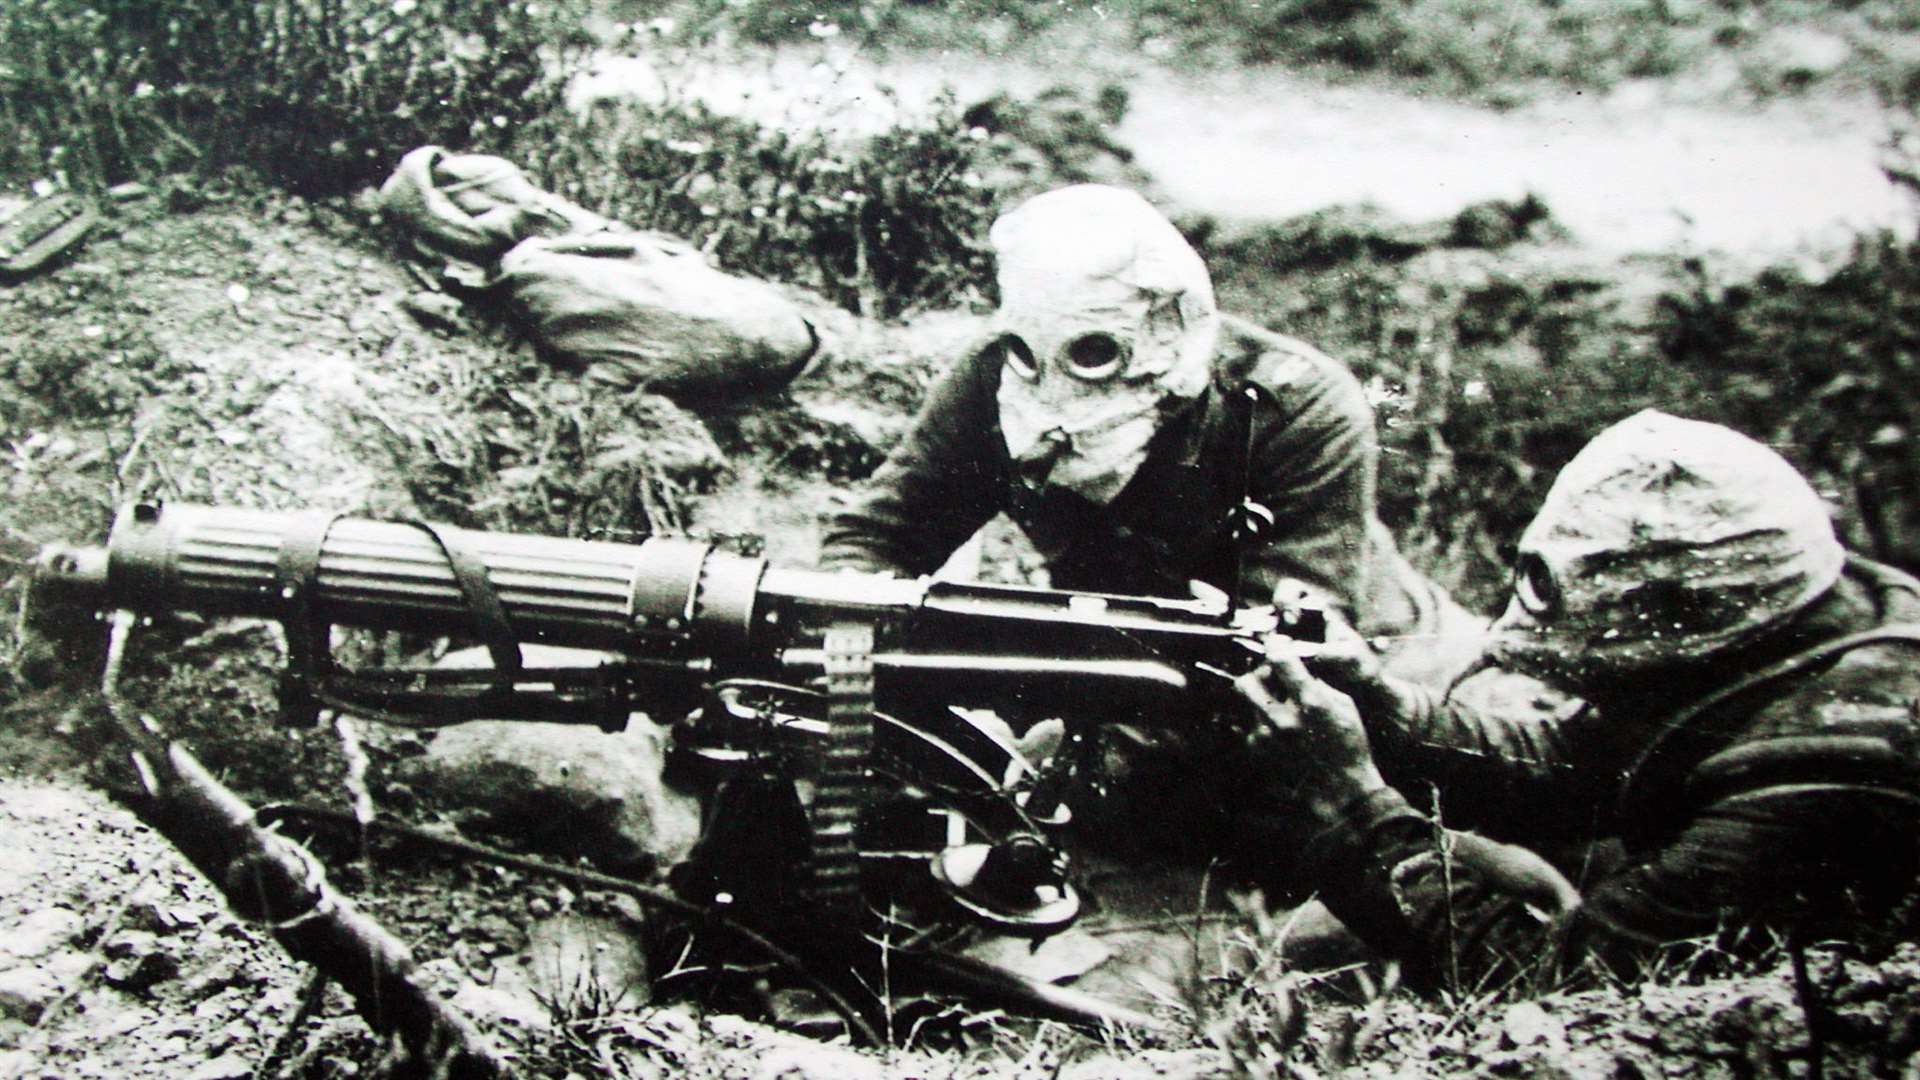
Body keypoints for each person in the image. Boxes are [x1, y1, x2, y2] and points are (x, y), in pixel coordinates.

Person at [1238, 409, 1920, 991]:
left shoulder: (1840, 766)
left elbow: (1560, 982)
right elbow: (1589, 759)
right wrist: (1384, 710)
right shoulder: (1800, 610)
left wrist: (1349, 807)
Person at [820, 182, 1477, 686]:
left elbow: (1294, 645)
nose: (1059, 381)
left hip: (1388, 664)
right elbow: (881, 536)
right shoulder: (994, 381)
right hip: (1121, 654)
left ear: (1168, 326)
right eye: (1030, 345)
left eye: (1097, 350)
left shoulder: (1294, 406)